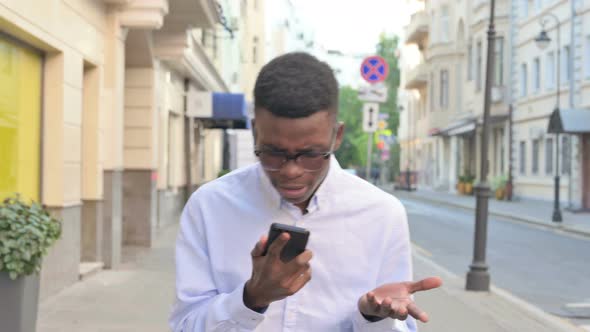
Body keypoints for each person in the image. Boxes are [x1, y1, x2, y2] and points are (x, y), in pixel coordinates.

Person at [169, 52, 442, 332]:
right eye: (273, 152)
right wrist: (251, 299)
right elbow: (185, 326)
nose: (291, 171)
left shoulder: (382, 214)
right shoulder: (210, 206)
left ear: (337, 136)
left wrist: (372, 318)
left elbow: (400, 326)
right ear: (254, 133)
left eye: (310, 154)